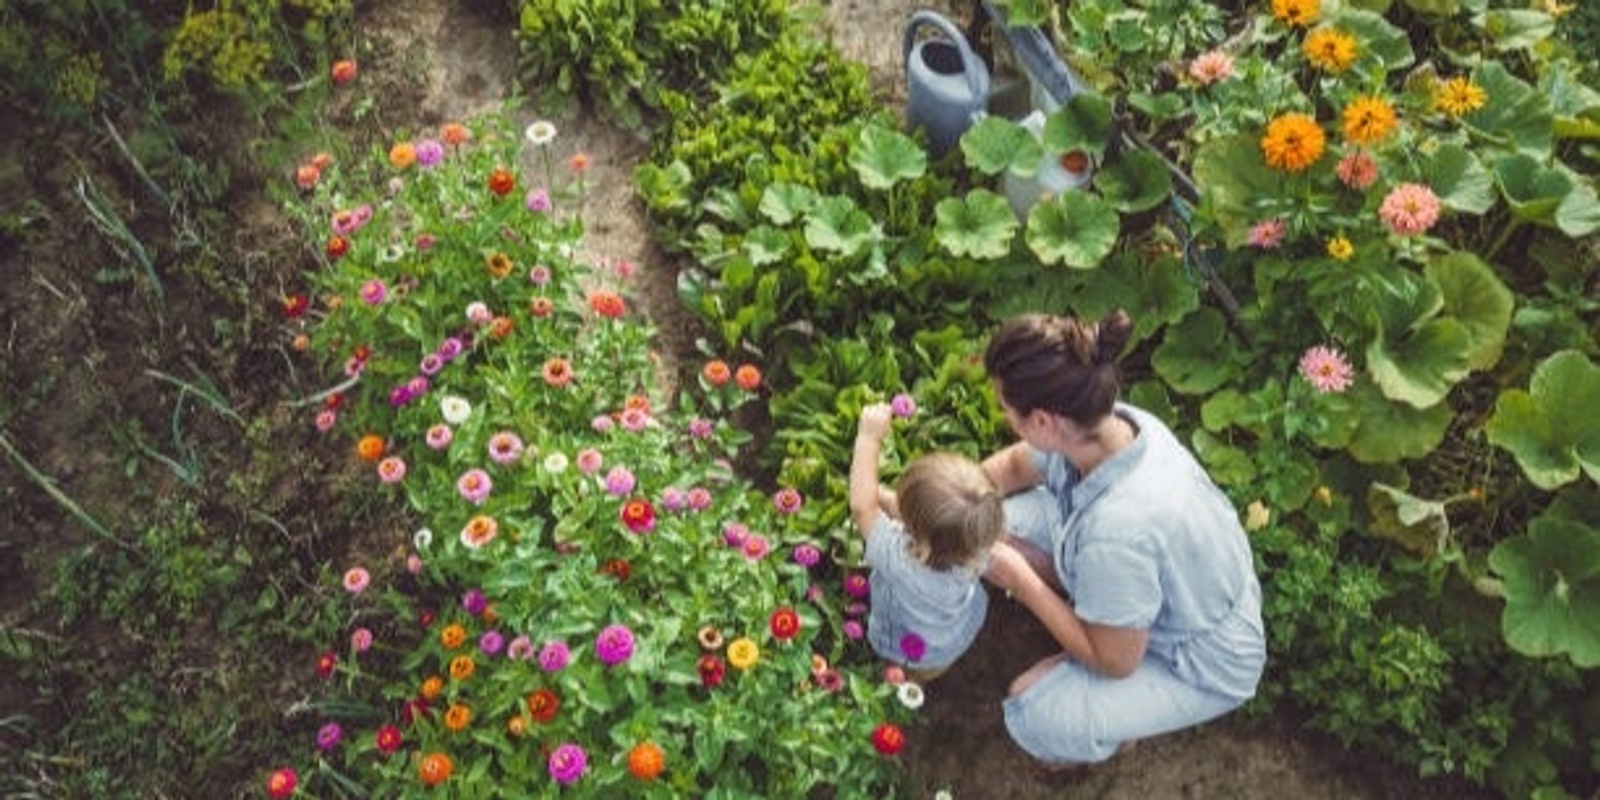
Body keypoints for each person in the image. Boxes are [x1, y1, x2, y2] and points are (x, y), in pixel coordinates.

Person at [977, 309, 1266, 767]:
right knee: (995, 523)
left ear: (1045, 423)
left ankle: (1113, 731)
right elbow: (1014, 467)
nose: (1005, 416)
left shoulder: (1119, 532)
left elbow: (1114, 660)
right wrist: (954, 501)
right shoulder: (1114, 426)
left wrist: (1021, 580)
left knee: (1035, 711)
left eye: (1007, 410)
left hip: (1202, 657)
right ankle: (1099, 631)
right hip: (1174, 583)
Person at [850, 402, 1006, 678]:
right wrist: (885, 499)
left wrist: (868, 438)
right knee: (931, 666)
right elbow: (937, 527)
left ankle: (906, 683)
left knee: (905, 669)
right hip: (952, 636)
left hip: (908, 645)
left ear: (918, 541)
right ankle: (923, 679)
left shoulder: (898, 561)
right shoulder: (979, 541)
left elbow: (863, 508)